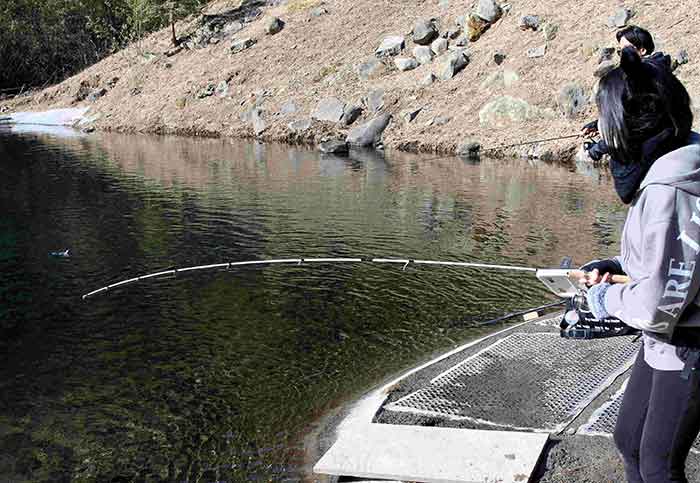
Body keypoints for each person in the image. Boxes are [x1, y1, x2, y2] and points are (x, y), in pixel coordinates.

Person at [581, 46, 700, 483]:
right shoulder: (673, 159)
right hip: (670, 333)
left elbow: (657, 305)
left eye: (604, 118)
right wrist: (615, 265)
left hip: (689, 339)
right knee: (629, 439)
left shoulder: (672, 187)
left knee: (659, 465)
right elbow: (673, 257)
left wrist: (603, 299)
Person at [583, 25, 672, 161]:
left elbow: (636, 126)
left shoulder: (645, 79)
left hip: (657, 154)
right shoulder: (656, 70)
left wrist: (598, 149)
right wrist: (598, 125)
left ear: (642, 50)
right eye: (620, 52)